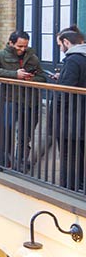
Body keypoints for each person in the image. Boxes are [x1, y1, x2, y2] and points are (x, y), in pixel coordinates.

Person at [0, 31, 46, 170]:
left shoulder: (33, 57)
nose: (22, 49)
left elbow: (42, 77)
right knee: (7, 132)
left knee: (26, 134)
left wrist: (31, 78)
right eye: (19, 46)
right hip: (10, 100)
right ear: (11, 43)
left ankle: (21, 161)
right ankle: (5, 162)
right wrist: (15, 75)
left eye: (25, 46)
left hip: (31, 101)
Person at [53, 26, 86, 190]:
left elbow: (66, 90)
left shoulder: (73, 60)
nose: (60, 48)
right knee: (78, 153)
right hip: (80, 115)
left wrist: (56, 108)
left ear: (66, 42)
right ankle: (78, 185)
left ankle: (68, 187)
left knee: (68, 153)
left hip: (70, 117)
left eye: (60, 45)